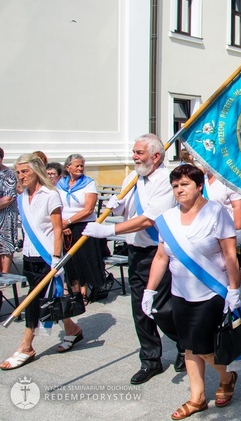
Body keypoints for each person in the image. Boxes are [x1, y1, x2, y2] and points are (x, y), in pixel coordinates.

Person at [143, 165, 241, 419]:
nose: (179, 190)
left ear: (199, 186)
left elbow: (230, 255)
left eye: (184, 184)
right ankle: (197, 397)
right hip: (180, 292)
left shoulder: (216, 213)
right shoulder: (167, 218)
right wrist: (149, 291)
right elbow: (161, 257)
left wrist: (234, 290)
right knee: (188, 346)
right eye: (175, 186)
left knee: (202, 346)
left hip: (211, 292)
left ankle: (227, 377)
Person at [83, 134, 183, 384]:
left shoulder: (166, 180)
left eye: (139, 152)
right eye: (134, 152)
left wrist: (109, 230)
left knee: (161, 308)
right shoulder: (133, 176)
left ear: (156, 156)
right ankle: (150, 361)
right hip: (135, 251)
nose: (134, 156)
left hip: (157, 252)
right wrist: (115, 206)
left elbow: (149, 219)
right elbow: (126, 206)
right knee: (140, 310)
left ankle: (184, 344)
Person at [1, 154, 84, 370]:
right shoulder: (22, 197)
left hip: (47, 256)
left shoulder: (51, 195)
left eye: (25, 171)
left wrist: (56, 260)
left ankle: (25, 347)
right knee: (50, 299)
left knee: (33, 302)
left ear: (36, 171)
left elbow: (58, 229)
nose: (21, 176)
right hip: (29, 256)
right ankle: (72, 329)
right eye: (18, 172)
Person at [57, 154, 108, 305]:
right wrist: (62, 224)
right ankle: (74, 293)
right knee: (70, 261)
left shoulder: (88, 183)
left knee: (84, 260)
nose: (80, 168)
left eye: (81, 166)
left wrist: (69, 221)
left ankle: (84, 293)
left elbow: (89, 209)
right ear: (68, 167)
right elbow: (56, 205)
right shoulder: (61, 183)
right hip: (65, 226)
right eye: (77, 165)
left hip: (83, 226)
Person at [204, 170, 241, 268]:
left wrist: (238, 231)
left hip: (226, 230)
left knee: (232, 265)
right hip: (206, 231)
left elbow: (238, 206)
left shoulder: (230, 178)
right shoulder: (200, 178)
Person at [0, 146, 19, 274]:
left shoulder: (9, 174)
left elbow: (8, 198)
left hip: (5, 217)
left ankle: (5, 276)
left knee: (5, 247)